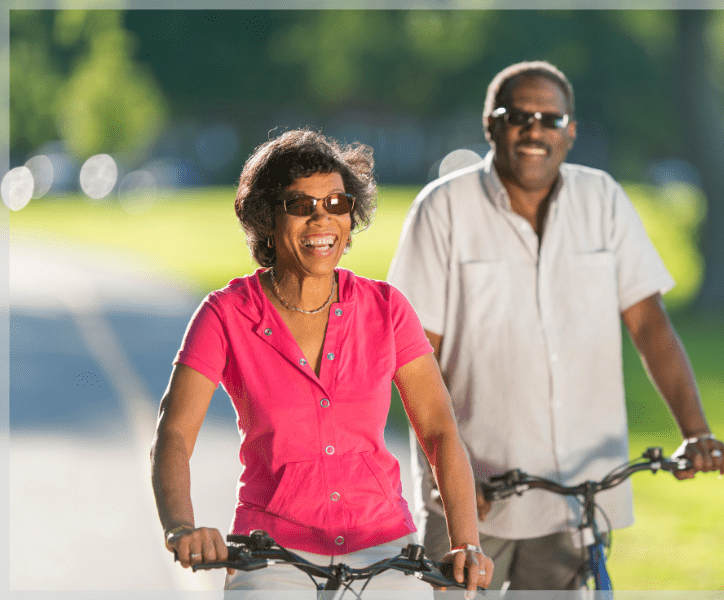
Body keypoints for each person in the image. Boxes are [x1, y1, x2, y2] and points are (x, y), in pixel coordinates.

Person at [387, 61, 724, 591]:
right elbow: (413, 356)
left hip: (576, 495)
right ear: (491, 125)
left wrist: (696, 431)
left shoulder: (603, 201)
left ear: (570, 131)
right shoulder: (443, 210)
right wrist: (451, 471)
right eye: (519, 116)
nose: (535, 130)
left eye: (551, 119)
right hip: (474, 497)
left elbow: (649, 325)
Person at [150, 128, 492, 597]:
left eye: (336, 204)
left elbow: (439, 431)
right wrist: (181, 527)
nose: (321, 220)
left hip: (383, 549)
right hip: (271, 553)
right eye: (299, 205)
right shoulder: (225, 314)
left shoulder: (387, 308)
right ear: (267, 216)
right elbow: (173, 435)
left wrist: (466, 544)